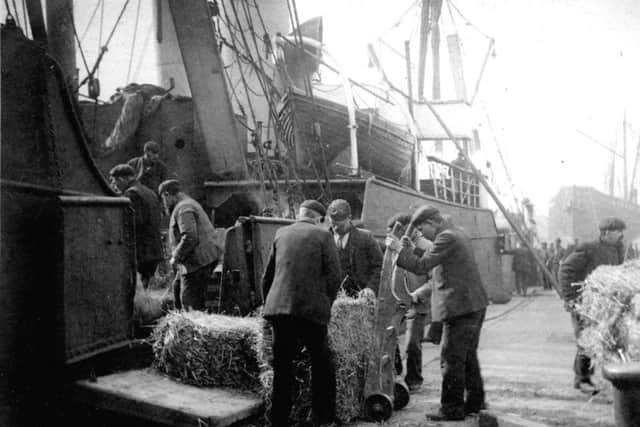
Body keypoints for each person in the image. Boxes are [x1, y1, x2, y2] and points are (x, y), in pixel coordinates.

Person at [387, 205, 488, 421]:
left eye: (423, 230)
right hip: (473, 304)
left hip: (460, 308)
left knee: (451, 358)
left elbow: (423, 266)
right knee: (468, 357)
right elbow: (435, 258)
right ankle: (475, 402)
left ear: (432, 222)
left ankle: (451, 409)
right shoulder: (456, 233)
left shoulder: (446, 237)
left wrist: (398, 250)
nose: (423, 234)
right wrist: (409, 250)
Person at [261, 200, 342, 426]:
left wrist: (269, 306)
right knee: (322, 363)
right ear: (320, 218)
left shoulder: (281, 233)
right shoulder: (324, 236)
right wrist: (327, 303)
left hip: (279, 310)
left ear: (300, 214)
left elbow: (267, 276)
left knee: (282, 366)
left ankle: (278, 419)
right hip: (310, 310)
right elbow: (335, 276)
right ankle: (322, 418)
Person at [559, 217, 625, 393]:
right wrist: (571, 298)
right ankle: (582, 379)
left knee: (607, 339)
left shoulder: (618, 249)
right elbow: (566, 270)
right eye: (618, 231)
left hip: (605, 303)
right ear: (606, 233)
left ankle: (613, 376)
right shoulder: (589, 248)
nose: (621, 235)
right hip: (585, 302)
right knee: (587, 340)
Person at [386, 213, 440, 393]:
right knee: (389, 339)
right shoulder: (395, 245)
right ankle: (395, 376)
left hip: (417, 302)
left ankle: (414, 380)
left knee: (412, 343)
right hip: (397, 301)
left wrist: (418, 294)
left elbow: (434, 280)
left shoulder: (428, 248)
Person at [159, 179, 220, 310]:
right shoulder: (187, 204)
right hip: (199, 259)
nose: (164, 204)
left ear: (167, 194)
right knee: (177, 288)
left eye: (163, 199)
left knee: (189, 301)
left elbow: (190, 237)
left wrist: (176, 256)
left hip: (198, 262)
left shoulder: (183, 208)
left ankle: (192, 325)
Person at [109, 164, 163, 289]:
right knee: (147, 286)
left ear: (122, 179)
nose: (113, 185)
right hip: (153, 249)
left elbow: (134, 223)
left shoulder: (131, 194)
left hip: (142, 251)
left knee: (136, 289)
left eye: (114, 181)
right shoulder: (148, 191)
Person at [326, 199, 383, 297]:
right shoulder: (324, 239)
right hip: (331, 297)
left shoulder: (365, 238)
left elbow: (379, 266)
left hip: (360, 297)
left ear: (349, 218)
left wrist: (371, 288)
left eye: (340, 225)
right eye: (333, 224)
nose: (335, 228)